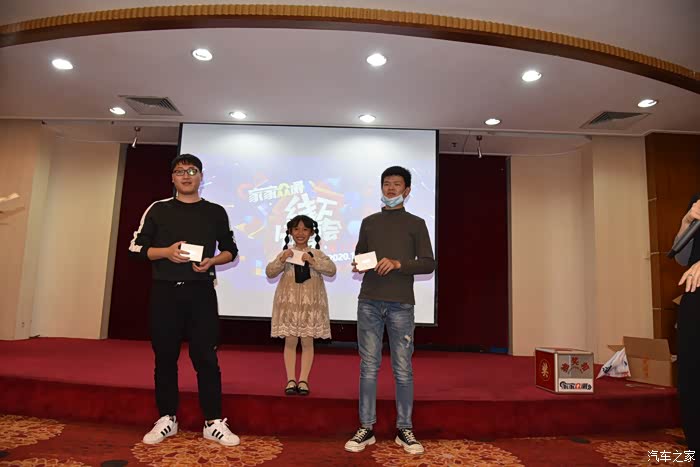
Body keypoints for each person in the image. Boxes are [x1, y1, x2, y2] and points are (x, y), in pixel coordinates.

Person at [128, 153, 240, 446]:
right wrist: (166, 252)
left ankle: (213, 421)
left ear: (201, 176)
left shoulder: (215, 211)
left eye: (192, 171)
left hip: (201, 292)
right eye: (180, 171)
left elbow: (231, 250)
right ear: (172, 178)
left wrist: (212, 261)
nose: (186, 176)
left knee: (206, 357)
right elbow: (136, 248)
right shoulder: (158, 209)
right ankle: (167, 418)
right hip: (164, 293)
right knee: (165, 357)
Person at [344, 166, 435, 455]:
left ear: (407, 191)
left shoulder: (416, 223)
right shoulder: (369, 222)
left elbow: (428, 263)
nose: (391, 188)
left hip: (401, 304)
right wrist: (359, 264)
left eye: (397, 184)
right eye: (386, 184)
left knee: (403, 369)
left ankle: (404, 429)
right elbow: (359, 257)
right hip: (369, 300)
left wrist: (398, 264)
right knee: (368, 367)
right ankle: (366, 427)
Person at [266, 215, 336, 395]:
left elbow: (331, 270)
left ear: (311, 233)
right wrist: (282, 259)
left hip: (310, 306)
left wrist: (312, 261)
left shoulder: (317, 254)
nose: (300, 233)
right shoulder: (286, 253)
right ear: (290, 232)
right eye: (296, 229)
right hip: (289, 305)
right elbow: (270, 272)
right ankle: (291, 380)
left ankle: (303, 380)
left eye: (305, 229)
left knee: (307, 342)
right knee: (290, 342)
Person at [674, 192, 700, 462]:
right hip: (695, 298)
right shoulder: (697, 200)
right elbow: (681, 257)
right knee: (691, 382)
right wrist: (686, 221)